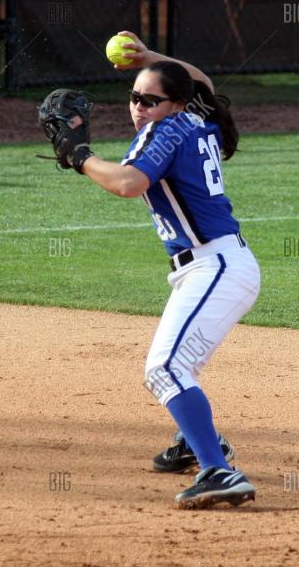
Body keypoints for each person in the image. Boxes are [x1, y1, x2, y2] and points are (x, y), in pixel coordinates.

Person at [57, 32, 261, 509]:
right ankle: (196, 443)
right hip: (221, 266)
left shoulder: (165, 129)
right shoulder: (196, 118)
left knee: (165, 368)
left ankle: (219, 471)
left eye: (150, 100)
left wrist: (78, 154)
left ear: (173, 104)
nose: (138, 108)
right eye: (133, 97)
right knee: (181, 364)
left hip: (216, 266)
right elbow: (203, 81)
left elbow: (129, 183)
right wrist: (151, 59)